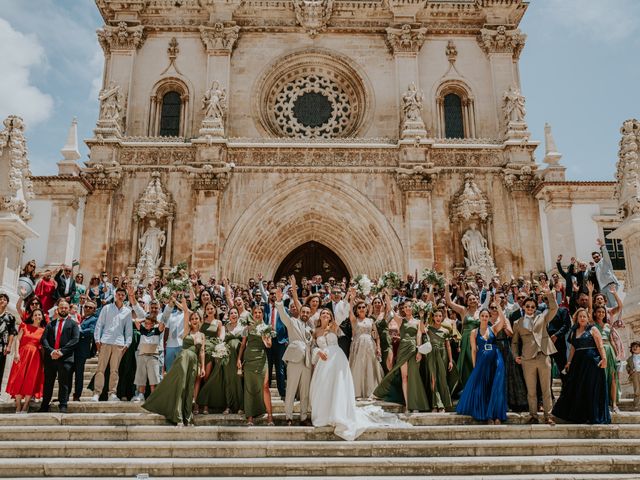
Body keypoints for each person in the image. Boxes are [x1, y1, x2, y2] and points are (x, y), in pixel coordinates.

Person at [310, 308, 410, 441]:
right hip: (323, 360)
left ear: (331, 317)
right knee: (324, 386)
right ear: (319, 316)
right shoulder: (315, 331)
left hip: (337, 358)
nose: (325, 315)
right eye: (323, 313)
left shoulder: (335, 326)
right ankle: (324, 413)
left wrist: (349, 298)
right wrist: (318, 352)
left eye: (328, 314)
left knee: (338, 385)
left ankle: (337, 414)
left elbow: (343, 310)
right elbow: (312, 346)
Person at [143, 297, 206, 426]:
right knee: (181, 386)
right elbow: (186, 312)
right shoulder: (186, 330)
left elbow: (202, 352)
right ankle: (177, 416)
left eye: (196, 318)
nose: (194, 320)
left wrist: (202, 367)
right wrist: (181, 300)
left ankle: (187, 416)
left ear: (200, 320)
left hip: (194, 361)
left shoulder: (202, 335)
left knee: (189, 388)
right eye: (192, 319)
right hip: (183, 359)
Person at [552, 308, 610, 424]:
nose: (582, 318)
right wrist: (569, 362)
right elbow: (573, 348)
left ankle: (593, 415)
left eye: (584, 316)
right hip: (578, 363)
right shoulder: (574, 331)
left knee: (591, 388)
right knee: (576, 388)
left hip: (592, 363)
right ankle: (578, 415)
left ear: (588, 318)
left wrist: (604, 359)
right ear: (576, 319)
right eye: (580, 317)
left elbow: (600, 346)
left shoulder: (593, 329)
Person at [511, 283, 558, 425]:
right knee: (531, 390)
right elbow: (514, 343)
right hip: (527, 359)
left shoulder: (542, 318)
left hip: (543, 356)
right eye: (527, 306)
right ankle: (533, 415)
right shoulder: (517, 323)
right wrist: (515, 355)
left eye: (532, 306)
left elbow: (554, 308)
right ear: (523, 308)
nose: (530, 308)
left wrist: (549, 294)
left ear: (535, 308)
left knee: (546, 389)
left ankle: (548, 415)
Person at [373, 300, 430, 413]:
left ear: (413, 308)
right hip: (403, 349)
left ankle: (416, 404)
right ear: (403, 309)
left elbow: (420, 334)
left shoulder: (418, 321)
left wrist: (419, 351)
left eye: (409, 306)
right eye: (405, 307)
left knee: (414, 376)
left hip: (414, 348)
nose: (408, 308)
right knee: (405, 377)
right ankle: (408, 405)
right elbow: (391, 310)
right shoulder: (401, 321)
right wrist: (387, 295)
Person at [456, 306, 506, 424]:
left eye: (486, 316)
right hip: (482, 362)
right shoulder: (474, 332)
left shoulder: (493, 329)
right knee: (484, 388)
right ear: (479, 317)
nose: (484, 318)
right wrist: (475, 365)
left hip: (496, 360)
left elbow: (503, 321)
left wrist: (499, 306)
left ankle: (497, 415)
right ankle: (488, 416)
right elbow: (473, 350)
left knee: (496, 387)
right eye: (482, 316)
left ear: (489, 317)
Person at [275, 285, 313, 426]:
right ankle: (288, 417)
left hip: (307, 362)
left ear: (309, 314)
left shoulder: (311, 328)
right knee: (291, 389)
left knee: (305, 392)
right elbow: (283, 316)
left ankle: (303, 417)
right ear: (299, 311)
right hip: (295, 360)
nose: (305, 314)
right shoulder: (292, 322)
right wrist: (279, 302)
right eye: (303, 311)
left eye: (307, 312)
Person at [92, 287, 133, 402]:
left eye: (122, 295)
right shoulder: (106, 308)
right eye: (118, 294)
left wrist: (127, 344)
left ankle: (112, 394)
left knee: (114, 370)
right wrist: (97, 340)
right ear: (115, 295)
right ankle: (97, 393)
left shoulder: (127, 311)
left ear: (125, 297)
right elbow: (99, 324)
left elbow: (128, 329)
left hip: (119, 343)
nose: (120, 296)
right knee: (100, 369)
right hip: (105, 341)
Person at [39, 300, 80, 413]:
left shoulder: (73, 324)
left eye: (65, 308)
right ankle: (44, 405)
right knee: (48, 383)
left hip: (65, 358)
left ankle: (63, 405)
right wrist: (52, 352)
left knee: (64, 383)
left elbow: (75, 340)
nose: (63, 309)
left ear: (69, 310)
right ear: (57, 309)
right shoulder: (50, 324)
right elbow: (44, 339)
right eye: (61, 307)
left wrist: (61, 352)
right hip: (51, 358)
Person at [237, 305, 274, 426]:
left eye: (260, 312)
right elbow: (243, 345)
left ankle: (269, 416)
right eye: (255, 312)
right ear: (252, 314)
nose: (257, 314)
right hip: (249, 358)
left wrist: (264, 336)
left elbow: (269, 345)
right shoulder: (247, 328)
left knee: (265, 387)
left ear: (263, 314)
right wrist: (238, 359)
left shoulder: (267, 328)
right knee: (249, 387)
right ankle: (250, 417)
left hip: (261, 358)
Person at [5, 308, 46, 413]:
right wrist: (16, 353)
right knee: (18, 378)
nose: (37, 317)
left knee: (30, 380)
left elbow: (42, 346)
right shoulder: (24, 325)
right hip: (22, 354)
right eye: (35, 315)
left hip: (35, 357)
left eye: (39, 315)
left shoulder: (43, 330)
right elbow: (17, 340)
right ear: (32, 317)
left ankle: (26, 405)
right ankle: (18, 405)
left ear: (42, 317)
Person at [445, 282, 483, 388]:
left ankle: (478, 386)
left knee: (477, 363)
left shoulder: (481, 312)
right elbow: (449, 302)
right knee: (467, 363)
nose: (472, 300)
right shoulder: (463, 310)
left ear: (477, 300)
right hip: (466, 340)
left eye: (474, 299)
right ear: (467, 301)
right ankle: (467, 387)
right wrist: (447, 287)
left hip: (477, 339)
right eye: (469, 299)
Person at [347, 288, 383, 400]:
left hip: (370, 345)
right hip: (357, 345)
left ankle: (371, 392)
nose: (362, 309)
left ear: (367, 309)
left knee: (370, 366)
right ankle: (357, 392)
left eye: (363, 307)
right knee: (358, 366)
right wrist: (352, 298)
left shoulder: (371, 321)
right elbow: (349, 311)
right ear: (357, 310)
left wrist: (378, 348)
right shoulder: (354, 320)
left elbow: (376, 336)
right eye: (359, 307)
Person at [424, 308, 458, 412]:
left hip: (443, 354)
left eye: (440, 316)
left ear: (442, 317)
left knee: (442, 379)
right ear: (433, 318)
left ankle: (443, 404)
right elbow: (421, 330)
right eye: (436, 316)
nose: (438, 318)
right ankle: (435, 404)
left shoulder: (446, 330)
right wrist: (422, 316)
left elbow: (448, 346)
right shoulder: (428, 329)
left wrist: (451, 361)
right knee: (433, 379)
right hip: (431, 354)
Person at [131, 300, 165, 402]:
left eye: (149, 324)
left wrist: (154, 321)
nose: (147, 325)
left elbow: (162, 324)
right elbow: (136, 321)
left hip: (153, 356)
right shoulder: (142, 329)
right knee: (141, 377)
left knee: (153, 378)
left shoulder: (157, 330)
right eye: (146, 323)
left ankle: (153, 396)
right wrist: (145, 319)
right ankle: (141, 394)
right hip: (142, 355)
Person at [72, 300, 98, 401]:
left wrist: (78, 329)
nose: (87, 309)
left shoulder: (94, 319)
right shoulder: (80, 318)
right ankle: (65, 394)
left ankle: (77, 395)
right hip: (72, 349)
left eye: (90, 308)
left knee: (79, 373)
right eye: (86, 307)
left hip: (82, 350)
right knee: (68, 373)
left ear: (94, 310)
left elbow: (91, 331)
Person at [0, 293, 18, 389]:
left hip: (2, 346)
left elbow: (12, 332)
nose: (2, 300)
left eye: (4, 299)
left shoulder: (10, 317)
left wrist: (9, 346)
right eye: (0, 299)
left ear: (7, 303)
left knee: (0, 369)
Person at [626, 341, 640, 410]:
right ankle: (636, 404)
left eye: (636, 346)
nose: (634, 348)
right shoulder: (630, 359)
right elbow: (627, 367)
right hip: (635, 374)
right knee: (637, 390)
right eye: (633, 347)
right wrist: (630, 371)